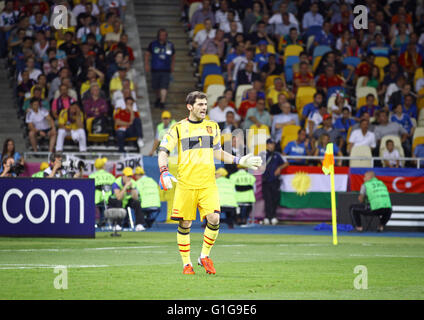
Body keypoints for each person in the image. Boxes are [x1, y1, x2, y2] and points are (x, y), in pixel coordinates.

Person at [157, 91, 262, 275]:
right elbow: (163, 151)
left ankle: (204, 256)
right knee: (185, 224)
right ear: (190, 107)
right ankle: (186, 264)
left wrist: (239, 160)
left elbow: (217, 152)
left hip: (207, 183)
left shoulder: (213, 126)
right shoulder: (178, 128)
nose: (204, 107)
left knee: (214, 218)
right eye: (199, 104)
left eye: (205, 104)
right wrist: (164, 171)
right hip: (186, 184)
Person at [145, 28, 175, 109]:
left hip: (166, 70)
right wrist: (147, 64)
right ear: (158, 35)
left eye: (164, 35)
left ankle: (162, 102)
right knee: (156, 87)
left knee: (164, 86)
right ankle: (158, 98)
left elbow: (173, 56)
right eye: (161, 35)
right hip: (155, 69)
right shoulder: (153, 44)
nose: (163, 36)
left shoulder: (170, 45)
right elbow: (147, 54)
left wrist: (172, 66)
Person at [108, 167, 146, 231]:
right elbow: (119, 197)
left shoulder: (133, 182)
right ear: (123, 176)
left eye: (131, 176)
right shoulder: (116, 183)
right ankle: (117, 224)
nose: (129, 178)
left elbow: (135, 197)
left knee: (137, 203)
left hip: (126, 200)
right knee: (119, 202)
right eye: (128, 176)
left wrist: (132, 188)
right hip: (114, 200)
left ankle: (139, 224)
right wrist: (125, 186)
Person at [261, 139, 288, 225]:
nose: (271, 145)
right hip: (266, 180)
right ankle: (267, 217)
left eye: (272, 144)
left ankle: (273, 216)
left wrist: (279, 168)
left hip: (275, 180)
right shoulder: (263, 154)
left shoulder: (277, 155)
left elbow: (286, 163)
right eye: (270, 144)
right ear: (267, 145)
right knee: (267, 199)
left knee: (275, 199)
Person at [89, 158, 116, 227]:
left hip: (96, 200)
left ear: (95, 166)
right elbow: (114, 189)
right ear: (103, 166)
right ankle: (106, 221)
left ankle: (98, 222)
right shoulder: (111, 176)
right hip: (109, 200)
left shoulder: (92, 176)